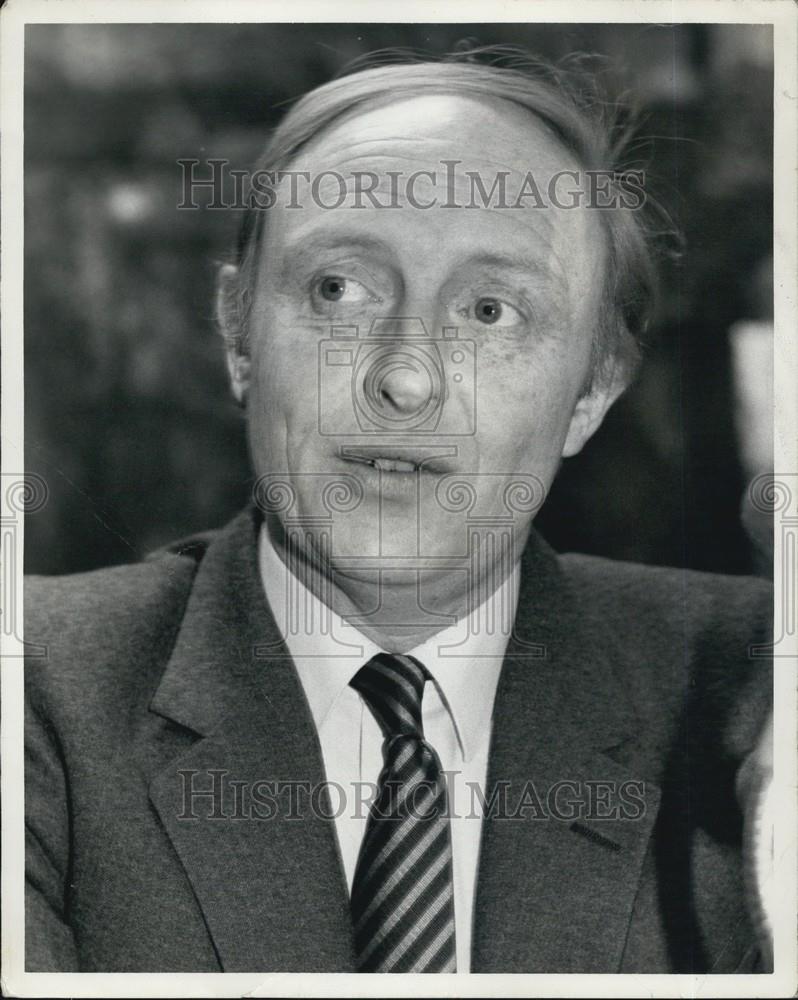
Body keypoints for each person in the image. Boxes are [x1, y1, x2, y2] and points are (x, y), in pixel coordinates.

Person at [24, 49, 773, 974]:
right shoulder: (31, 688)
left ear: (592, 392)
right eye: (337, 290)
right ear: (238, 334)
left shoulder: (754, 687)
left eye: (490, 311)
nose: (406, 379)